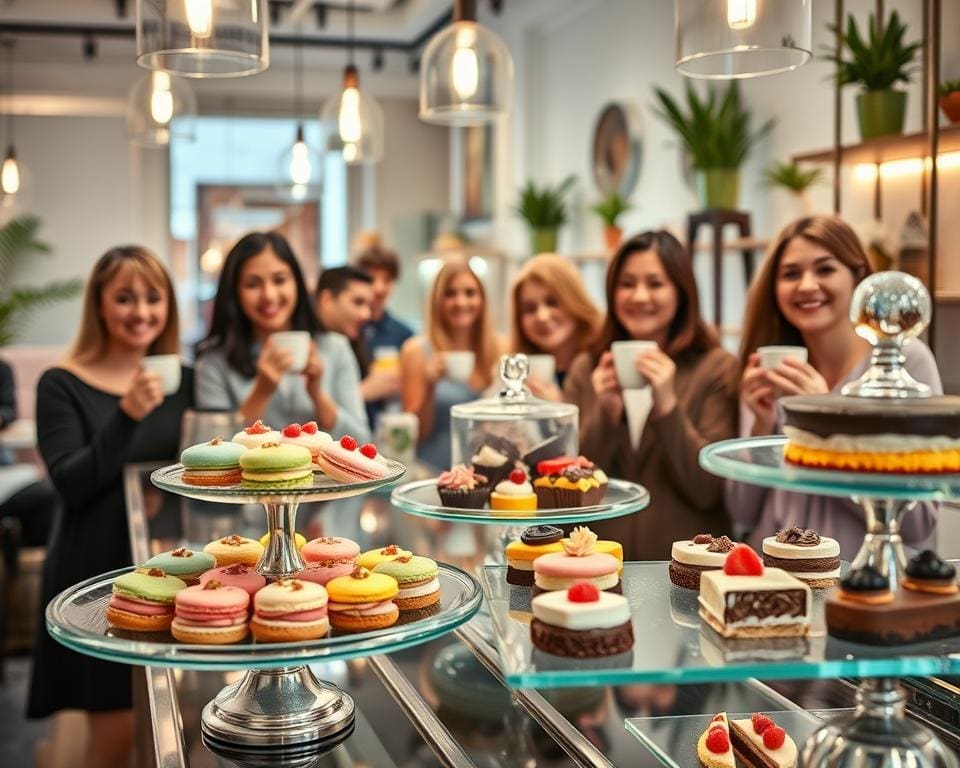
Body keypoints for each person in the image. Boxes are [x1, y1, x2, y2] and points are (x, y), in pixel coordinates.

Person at [27, 246, 193, 768]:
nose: (140, 311)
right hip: (94, 567)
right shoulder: (63, 382)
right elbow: (69, 483)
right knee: (113, 725)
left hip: (168, 565)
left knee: (170, 720)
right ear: (99, 305)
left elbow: (198, 465)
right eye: (124, 298)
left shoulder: (182, 379)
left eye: (152, 298)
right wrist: (127, 415)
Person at [730, 215, 940, 558]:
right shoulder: (769, 367)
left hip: (864, 581)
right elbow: (741, 512)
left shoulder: (903, 361)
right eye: (790, 274)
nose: (807, 285)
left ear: (858, 277)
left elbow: (919, 523)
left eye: (825, 269)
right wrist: (759, 424)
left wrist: (823, 416)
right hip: (772, 579)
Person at [564, 231, 738, 560]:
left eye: (656, 283)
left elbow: (708, 490)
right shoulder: (587, 369)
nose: (640, 296)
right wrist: (606, 414)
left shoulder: (716, 368)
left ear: (681, 292)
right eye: (627, 284)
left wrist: (668, 407)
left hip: (690, 568)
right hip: (597, 567)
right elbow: (568, 493)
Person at [195, 231, 370, 441]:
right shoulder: (214, 362)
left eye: (280, 280)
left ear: (297, 282)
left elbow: (363, 440)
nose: (269, 295)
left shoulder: (335, 348)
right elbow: (210, 454)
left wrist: (317, 395)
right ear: (234, 292)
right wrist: (261, 392)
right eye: (252, 284)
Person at [401, 257, 505, 469]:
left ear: (482, 299)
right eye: (450, 294)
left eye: (470, 293)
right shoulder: (416, 351)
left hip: (492, 472)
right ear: (437, 300)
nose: (461, 302)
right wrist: (429, 385)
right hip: (433, 472)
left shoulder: (502, 347)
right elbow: (415, 436)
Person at [509, 254, 603, 401]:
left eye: (552, 302)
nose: (542, 316)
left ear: (575, 301)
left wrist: (560, 409)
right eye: (529, 308)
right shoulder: (514, 371)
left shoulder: (602, 368)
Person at [354, 237, 414, 428]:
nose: (379, 288)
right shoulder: (347, 331)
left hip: (391, 430)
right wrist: (364, 391)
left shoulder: (404, 334)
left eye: (387, 280)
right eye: (372, 279)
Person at [0, 358, 58, 547]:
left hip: (6, 470)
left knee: (51, 492)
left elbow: (9, 410)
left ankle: (19, 552)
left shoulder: (2, 368)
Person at [315, 264, 374, 372]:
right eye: (358, 302)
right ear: (327, 300)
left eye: (369, 306)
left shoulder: (356, 345)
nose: (366, 314)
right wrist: (369, 388)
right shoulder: (303, 346)